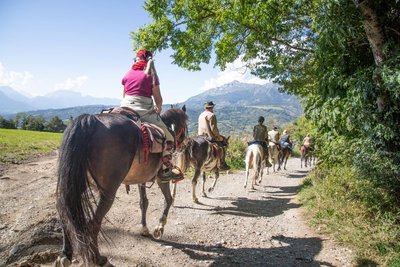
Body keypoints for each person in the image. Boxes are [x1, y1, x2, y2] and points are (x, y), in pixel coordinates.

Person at [121, 48, 183, 182]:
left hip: (124, 109)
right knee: (168, 136)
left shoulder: (127, 74)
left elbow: (124, 95)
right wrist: (158, 110)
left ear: (135, 60)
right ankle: (166, 169)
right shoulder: (151, 75)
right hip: (143, 110)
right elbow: (159, 100)